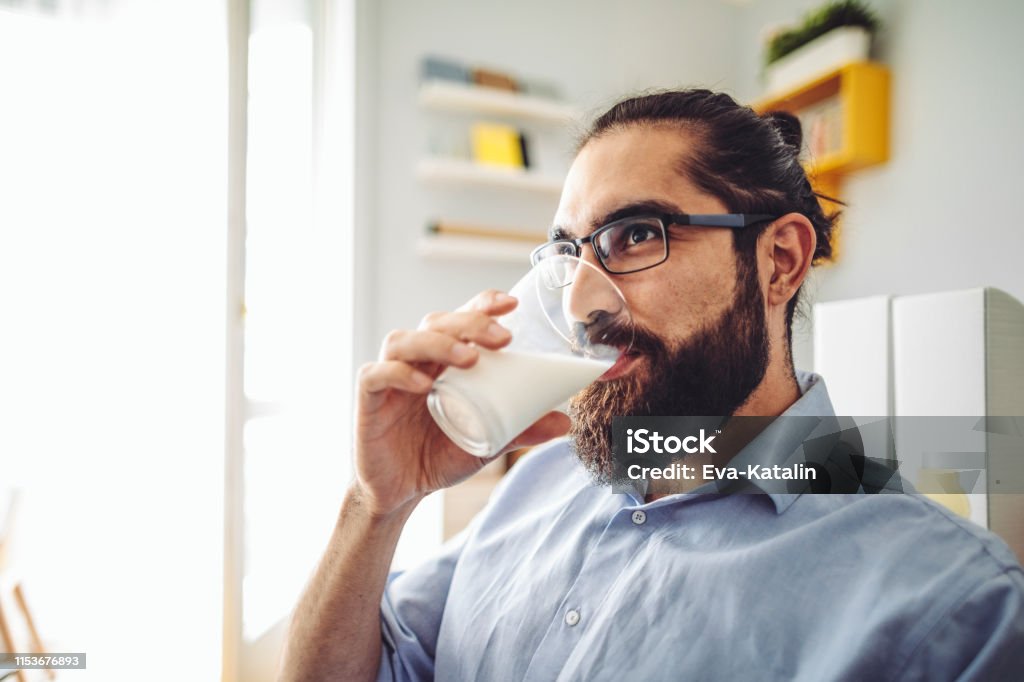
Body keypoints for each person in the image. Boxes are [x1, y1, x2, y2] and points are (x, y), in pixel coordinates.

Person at [280, 90, 1024, 681]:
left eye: (635, 234)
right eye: (569, 255)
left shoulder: (956, 608)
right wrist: (375, 505)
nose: (579, 303)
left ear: (780, 261)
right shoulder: (536, 484)